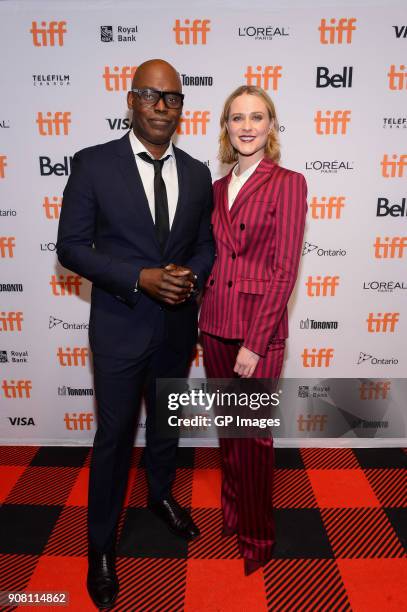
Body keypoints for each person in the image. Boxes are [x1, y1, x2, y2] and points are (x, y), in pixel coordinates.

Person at [57, 59, 214, 608]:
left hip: (176, 326)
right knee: (114, 438)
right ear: (132, 99)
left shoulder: (196, 173)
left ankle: (161, 498)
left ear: (181, 108)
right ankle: (100, 547)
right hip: (120, 326)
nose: (162, 107)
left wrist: (188, 277)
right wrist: (139, 278)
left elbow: (205, 244)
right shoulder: (94, 165)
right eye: (152, 95)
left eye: (173, 98)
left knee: (166, 425)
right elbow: (71, 247)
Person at [199, 85, 307, 575]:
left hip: (256, 332)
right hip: (215, 322)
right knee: (228, 430)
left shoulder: (288, 183)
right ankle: (233, 513)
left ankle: (258, 536)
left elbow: (284, 270)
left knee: (255, 436)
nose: (246, 126)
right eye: (236, 117)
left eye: (256, 117)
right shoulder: (217, 189)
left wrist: (256, 343)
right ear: (226, 126)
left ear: (270, 126)